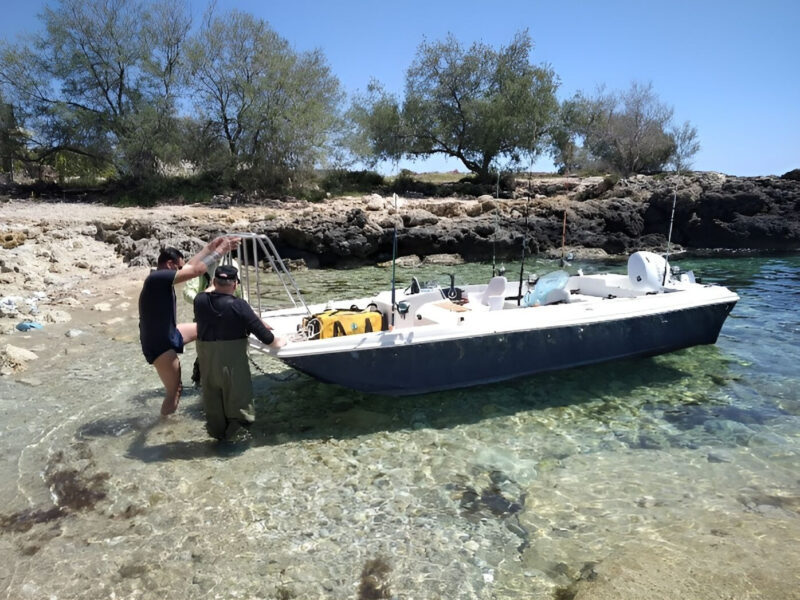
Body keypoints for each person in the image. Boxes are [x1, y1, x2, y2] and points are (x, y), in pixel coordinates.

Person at [138, 236, 240, 416]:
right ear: (169, 265)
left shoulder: (162, 277)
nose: (180, 271)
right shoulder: (157, 278)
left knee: (204, 328)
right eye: (178, 267)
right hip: (160, 344)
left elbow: (190, 267)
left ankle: (208, 372)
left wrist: (209, 248)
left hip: (169, 332)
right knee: (175, 392)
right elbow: (196, 271)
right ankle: (165, 426)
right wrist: (221, 251)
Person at [193, 264, 286, 441]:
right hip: (231, 365)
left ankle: (217, 440)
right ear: (235, 285)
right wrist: (280, 341)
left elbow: (209, 292)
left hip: (208, 363)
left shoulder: (200, 301)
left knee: (214, 407)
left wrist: (217, 283)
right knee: (239, 407)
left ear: (213, 282)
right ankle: (235, 445)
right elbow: (266, 338)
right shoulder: (239, 306)